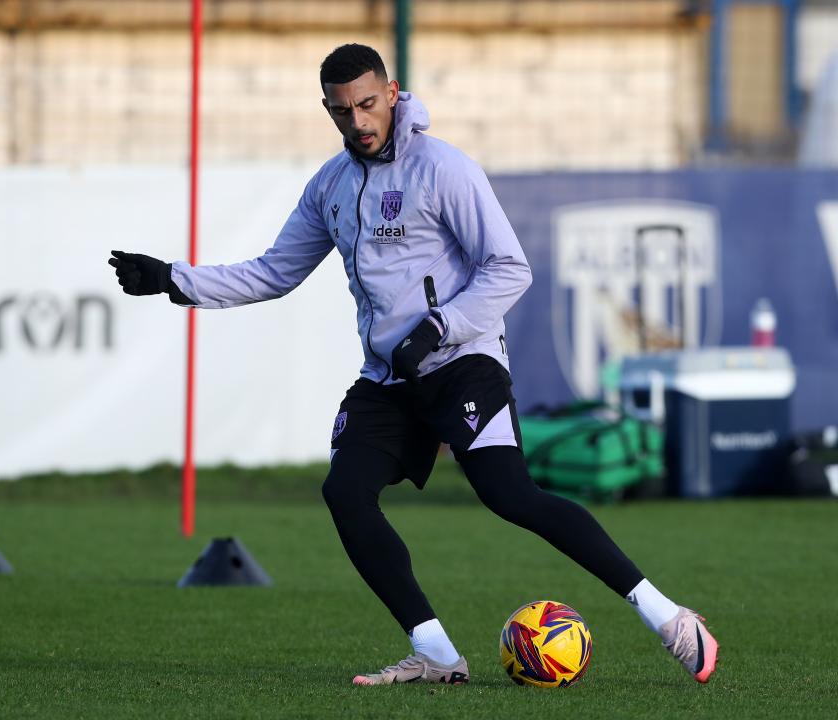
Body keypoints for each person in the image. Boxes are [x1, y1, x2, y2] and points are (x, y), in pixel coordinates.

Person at [107, 43, 719, 686]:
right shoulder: (331, 187)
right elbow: (273, 273)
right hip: (390, 379)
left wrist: (439, 327)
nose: (359, 122)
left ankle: (669, 617)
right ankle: (435, 654)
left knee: (509, 495)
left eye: (368, 104)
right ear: (329, 110)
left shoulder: (443, 168)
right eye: (343, 112)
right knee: (345, 493)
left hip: (462, 361)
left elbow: (510, 268)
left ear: (392, 93)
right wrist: (174, 278)